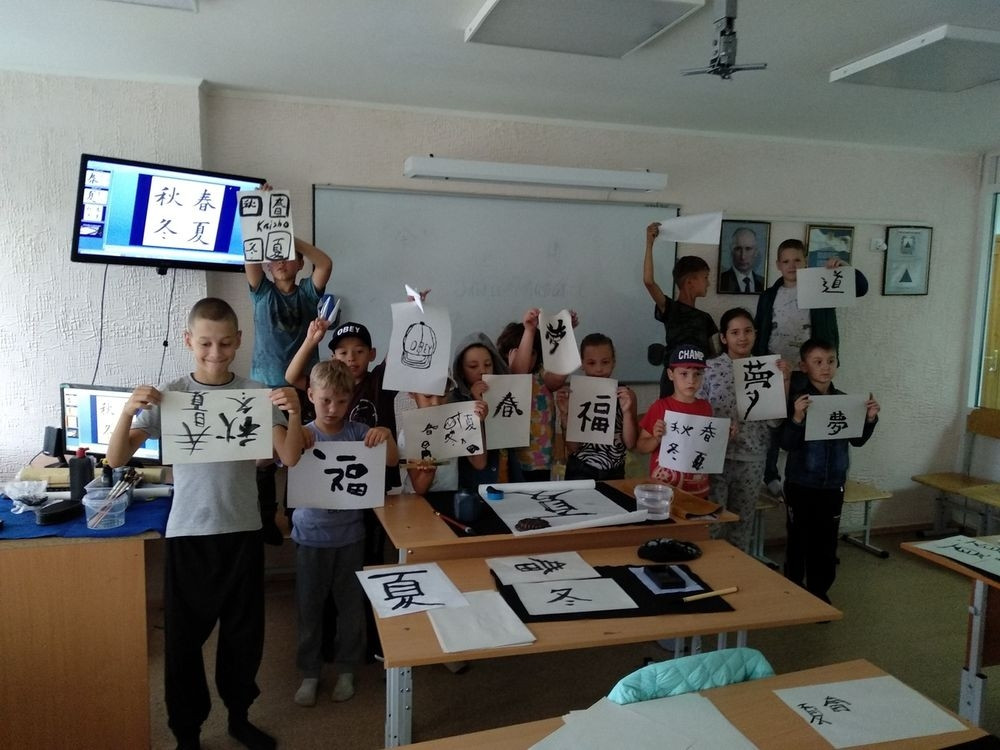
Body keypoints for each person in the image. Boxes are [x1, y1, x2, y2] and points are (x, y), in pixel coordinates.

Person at [107, 297, 304, 750]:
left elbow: (290, 456)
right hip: (189, 533)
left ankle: (239, 716)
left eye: (226, 343)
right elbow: (117, 458)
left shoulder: (256, 393)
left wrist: (294, 413)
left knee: (243, 636)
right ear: (188, 341)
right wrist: (127, 411)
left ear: (239, 341)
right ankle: (187, 732)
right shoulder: (171, 395)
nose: (216, 353)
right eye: (206, 344)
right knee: (183, 641)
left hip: (242, 530)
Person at [292, 360, 398, 708]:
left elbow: (392, 461)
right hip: (310, 536)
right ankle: (310, 672)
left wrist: (385, 434)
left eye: (341, 401)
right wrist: (294, 435)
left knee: (350, 609)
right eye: (325, 400)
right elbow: (282, 458)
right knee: (310, 608)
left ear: (351, 399)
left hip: (351, 537)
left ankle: (347, 670)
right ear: (311, 395)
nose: (333, 408)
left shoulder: (358, 432)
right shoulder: (303, 434)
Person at [753, 238, 869, 496]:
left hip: (809, 369)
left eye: (797, 260)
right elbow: (760, 327)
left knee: (807, 422)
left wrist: (844, 269)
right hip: (774, 368)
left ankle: (807, 477)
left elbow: (861, 288)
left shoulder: (821, 285)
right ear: (778, 265)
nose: (792, 265)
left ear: (805, 261)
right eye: (786, 261)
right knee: (772, 423)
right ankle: (770, 475)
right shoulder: (769, 295)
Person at [245, 219, 332, 546]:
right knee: (264, 458)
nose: (280, 260)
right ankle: (266, 519)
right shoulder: (261, 292)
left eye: (288, 255)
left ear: (299, 263)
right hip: (264, 389)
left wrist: (290, 238)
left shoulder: (308, 293)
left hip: (303, 387)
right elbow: (250, 257)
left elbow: (325, 263)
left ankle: (294, 513)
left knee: (302, 451)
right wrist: (264, 224)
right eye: (274, 256)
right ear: (267, 265)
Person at [780, 338, 879, 603]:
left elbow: (857, 440)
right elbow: (786, 444)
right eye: (818, 362)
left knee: (826, 542)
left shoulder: (845, 402)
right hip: (801, 483)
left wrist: (870, 419)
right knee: (798, 540)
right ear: (804, 366)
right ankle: (792, 590)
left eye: (831, 361)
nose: (825, 367)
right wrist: (797, 418)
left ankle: (819, 592)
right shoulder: (796, 400)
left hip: (833, 484)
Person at [697, 309, 789, 551]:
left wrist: (783, 382)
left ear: (755, 334)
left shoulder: (767, 368)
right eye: (735, 332)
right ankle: (711, 571)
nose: (742, 337)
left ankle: (739, 571)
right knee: (711, 523)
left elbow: (775, 422)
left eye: (748, 331)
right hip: (716, 459)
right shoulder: (708, 368)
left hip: (752, 458)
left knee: (742, 523)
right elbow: (696, 411)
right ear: (724, 337)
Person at [643, 222, 720, 397]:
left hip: (698, 381)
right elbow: (648, 281)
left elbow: (714, 356)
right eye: (705, 277)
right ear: (690, 282)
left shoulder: (705, 318)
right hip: (673, 381)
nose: (708, 283)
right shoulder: (670, 309)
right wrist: (649, 243)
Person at [496, 309, 571, 481]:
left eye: (532, 353)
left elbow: (558, 378)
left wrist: (565, 335)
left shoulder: (541, 377)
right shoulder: (503, 379)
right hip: (512, 462)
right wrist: (529, 330)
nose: (527, 358)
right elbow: (518, 375)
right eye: (521, 351)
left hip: (541, 461)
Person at [556, 333, 638, 481]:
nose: (599, 369)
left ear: (613, 362)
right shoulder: (575, 394)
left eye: (605, 362)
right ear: (582, 364)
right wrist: (565, 415)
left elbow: (631, 444)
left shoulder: (625, 395)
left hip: (614, 470)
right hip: (580, 468)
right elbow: (573, 448)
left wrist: (627, 413)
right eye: (591, 363)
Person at [635, 344, 713, 498]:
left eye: (697, 374)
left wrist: (724, 435)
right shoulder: (660, 407)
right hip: (664, 490)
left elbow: (708, 445)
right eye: (684, 374)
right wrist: (656, 439)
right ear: (671, 374)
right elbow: (641, 447)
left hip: (698, 490)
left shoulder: (706, 407)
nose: (691, 380)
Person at [450, 332, 518, 488]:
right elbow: (475, 458)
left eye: (488, 365)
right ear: (461, 370)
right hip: (474, 484)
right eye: (473, 366)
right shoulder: (455, 400)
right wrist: (474, 402)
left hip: (507, 475)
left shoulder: (505, 394)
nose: (482, 370)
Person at [718, 227, 765, 294]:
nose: (743, 256)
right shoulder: (722, 280)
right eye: (738, 249)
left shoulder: (763, 283)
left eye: (748, 249)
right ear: (732, 251)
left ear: (756, 252)